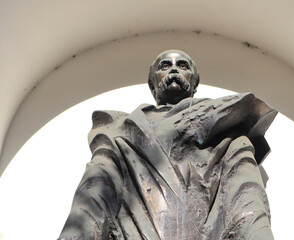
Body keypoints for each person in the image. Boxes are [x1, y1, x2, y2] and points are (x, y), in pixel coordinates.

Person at [59, 50, 277, 240]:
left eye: (183, 66)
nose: (174, 70)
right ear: (152, 83)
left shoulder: (230, 130)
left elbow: (248, 200)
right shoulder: (117, 130)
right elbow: (93, 196)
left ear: (194, 82)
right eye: (165, 65)